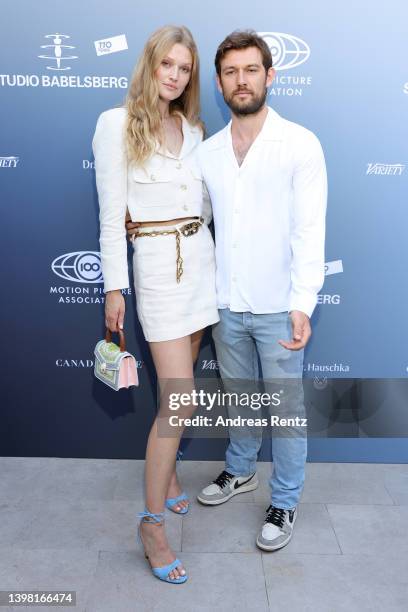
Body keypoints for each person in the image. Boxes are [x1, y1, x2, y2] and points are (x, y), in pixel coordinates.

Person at [127, 29, 327, 553]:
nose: (242, 81)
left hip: (280, 304)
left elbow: (311, 230)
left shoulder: (300, 143)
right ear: (219, 83)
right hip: (224, 303)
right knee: (239, 399)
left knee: (284, 409)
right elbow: (193, 215)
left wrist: (303, 301)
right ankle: (240, 470)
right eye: (232, 72)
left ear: (270, 76)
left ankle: (284, 498)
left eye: (252, 70)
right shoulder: (207, 151)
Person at [92, 24, 219, 584]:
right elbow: (109, 217)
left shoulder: (191, 127)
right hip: (158, 269)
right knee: (181, 400)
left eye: (184, 68)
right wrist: (113, 286)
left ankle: (168, 480)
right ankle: (151, 523)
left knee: (182, 381)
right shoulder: (115, 125)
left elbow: (206, 200)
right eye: (166, 64)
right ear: (149, 65)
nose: (174, 75)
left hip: (202, 263)